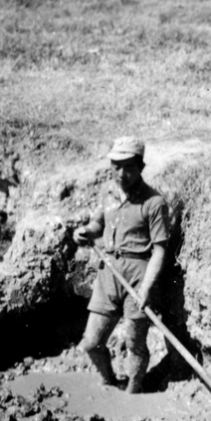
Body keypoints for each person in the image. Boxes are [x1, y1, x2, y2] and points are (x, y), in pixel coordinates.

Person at [73, 137, 170, 394]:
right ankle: (108, 381)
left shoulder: (154, 202)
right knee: (92, 342)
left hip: (138, 277)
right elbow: (97, 225)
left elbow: (160, 249)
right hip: (108, 274)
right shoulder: (108, 194)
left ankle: (133, 391)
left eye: (128, 167)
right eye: (116, 166)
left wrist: (147, 288)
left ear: (141, 166)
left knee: (133, 342)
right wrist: (85, 231)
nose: (121, 173)